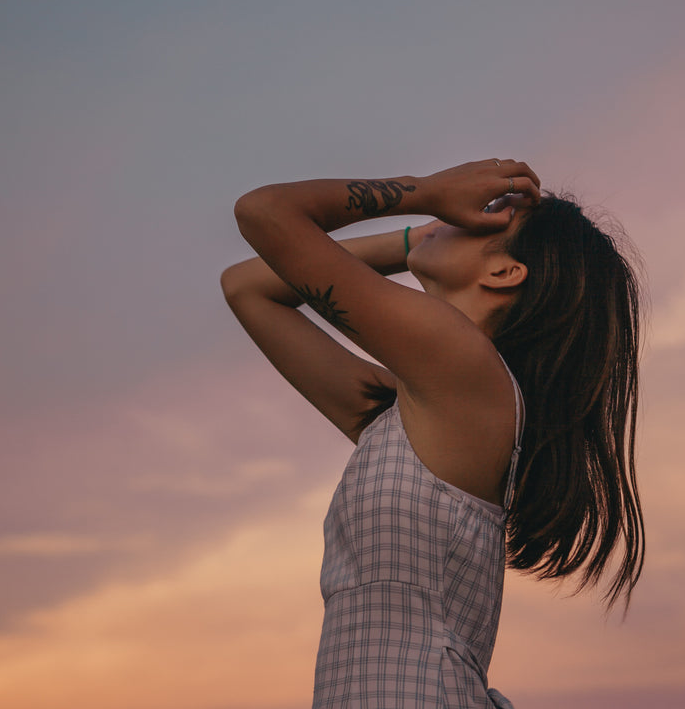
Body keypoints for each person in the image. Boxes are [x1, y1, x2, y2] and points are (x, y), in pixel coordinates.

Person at [221, 158, 646, 708]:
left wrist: (429, 193)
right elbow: (248, 286)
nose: (458, 215)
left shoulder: (463, 362)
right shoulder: (423, 406)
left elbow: (264, 213)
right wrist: (417, 237)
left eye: (485, 218)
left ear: (504, 272)